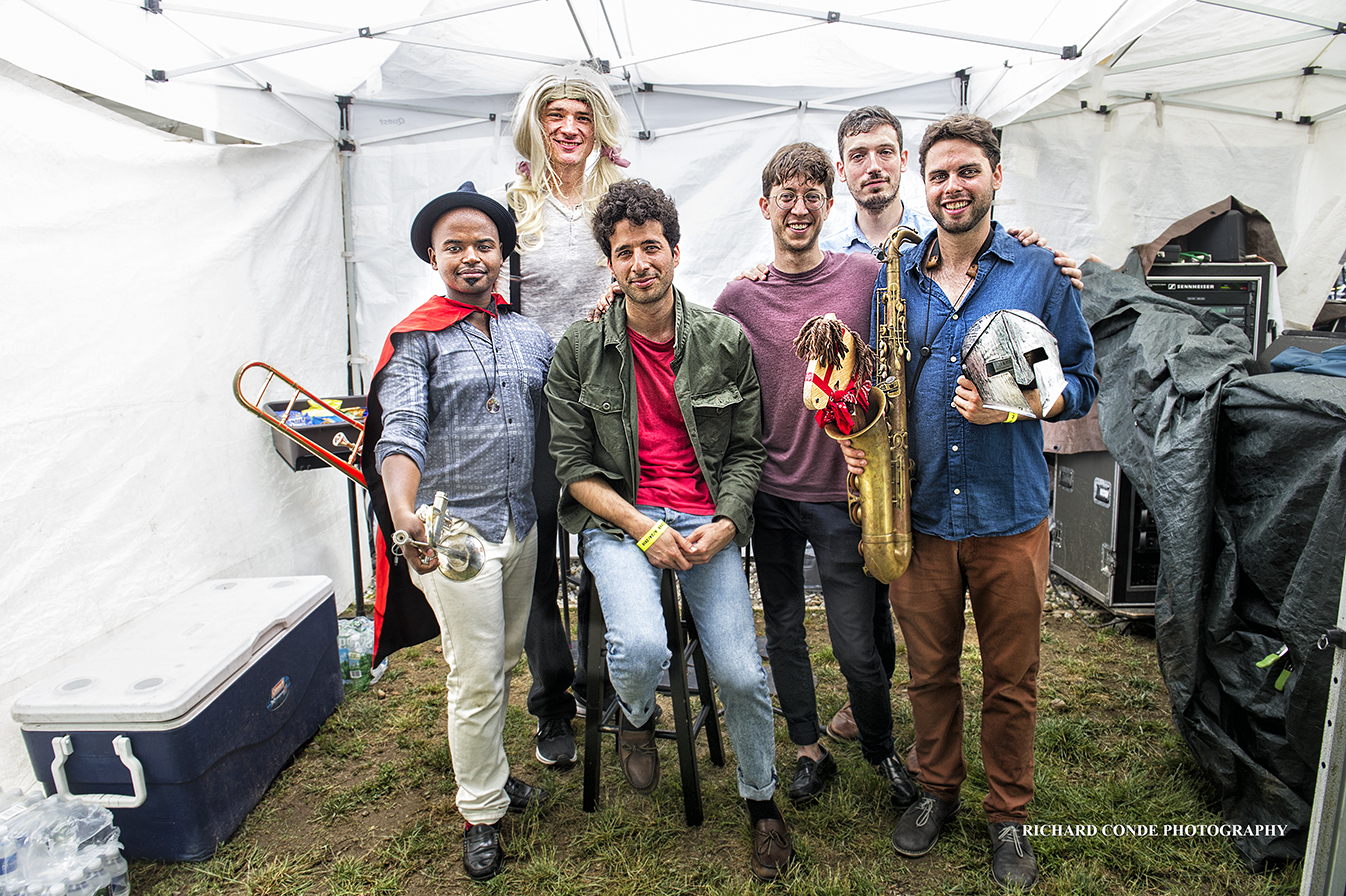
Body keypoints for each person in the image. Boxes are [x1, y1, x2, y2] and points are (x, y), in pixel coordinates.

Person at [841, 113, 1098, 890]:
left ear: (994, 176)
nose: (954, 187)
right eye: (941, 174)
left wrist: (1022, 402)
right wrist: (859, 436)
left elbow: (1082, 383)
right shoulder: (895, 274)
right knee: (929, 670)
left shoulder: (1040, 273)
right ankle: (938, 790)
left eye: (967, 171)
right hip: (917, 511)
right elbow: (877, 381)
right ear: (927, 186)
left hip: (1010, 512)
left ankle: (1007, 816)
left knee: (1012, 677)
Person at [546, 179, 792, 882]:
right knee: (645, 647)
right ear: (611, 265)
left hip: (705, 521)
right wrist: (641, 528)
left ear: (676, 252)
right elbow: (572, 467)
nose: (638, 262)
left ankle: (761, 803)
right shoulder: (580, 349)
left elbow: (748, 451)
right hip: (620, 521)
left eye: (650, 247)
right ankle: (632, 713)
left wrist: (727, 522)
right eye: (623, 252)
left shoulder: (722, 340)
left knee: (743, 673)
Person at [715, 142, 920, 814]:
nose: (798, 209)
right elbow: (692, 346)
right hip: (771, 494)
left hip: (844, 493)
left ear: (828, 206)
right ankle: (807, 749)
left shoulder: (863, 276)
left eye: (811, 197)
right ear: (765, 207)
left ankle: (882, 746)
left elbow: (925, 298)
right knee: (782, 630)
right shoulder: (740, 295)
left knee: (856, 642)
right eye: (786, 196)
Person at [363, 183, 553, 881]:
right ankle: (480, 809)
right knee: (473, 676)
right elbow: (402, 431)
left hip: (520, 523)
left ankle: (495, 776)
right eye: (455, 247)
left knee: (502, 662)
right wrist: (404, 511)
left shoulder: (529, 334)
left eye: (483, 245)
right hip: (453, 535)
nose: (470, 257)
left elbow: (567, 397)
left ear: (502, 254)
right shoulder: (417, 340)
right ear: (434, 258)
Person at [502, 63, 631, 767]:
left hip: (606, 398)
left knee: (604, 547)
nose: (569, 129)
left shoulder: (621, 198)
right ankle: (552, 699)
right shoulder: (515, 206)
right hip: (531, 404)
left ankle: (601, 683)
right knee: (538, 558)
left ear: (598, 126)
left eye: (580, 117)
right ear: (538, 127)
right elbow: (491, 301)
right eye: (556, 117)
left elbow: (652, 274)